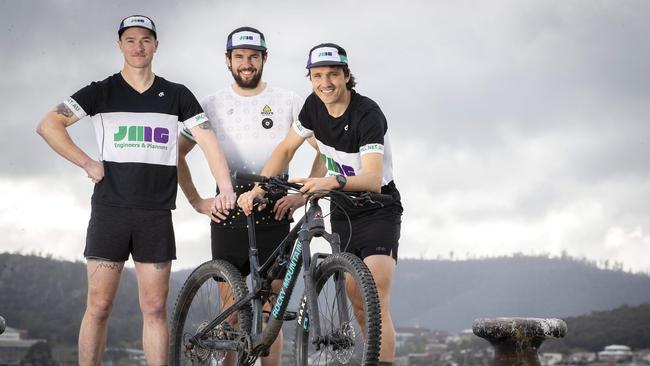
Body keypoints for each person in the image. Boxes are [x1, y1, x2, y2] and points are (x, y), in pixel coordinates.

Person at [36, 15, 235, 366]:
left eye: (145, 39)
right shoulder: (102, 90)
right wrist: (86, 162)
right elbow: (49, 124)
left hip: (155, 214)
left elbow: (207, 140)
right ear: (120, 45)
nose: (138, 46)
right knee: (98, 306)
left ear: (156, 45)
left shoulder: (177, 94)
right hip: (110, 210)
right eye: (131, 40)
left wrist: (225, 188)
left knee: (155, 308)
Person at [238, 43, 403, 365]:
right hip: (342, 210)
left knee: (375, 301)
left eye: (332, 75)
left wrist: (329, 182)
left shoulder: (368, 114)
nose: (325, 82)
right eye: (317, 76)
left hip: (378, 208)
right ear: (310, 78)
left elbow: (372, 179)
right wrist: (259, 188)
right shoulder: (313, 107)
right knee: (357, 302)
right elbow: (286, 149)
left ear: (346, 76)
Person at [177, 26, 314, 366]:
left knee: (272, 314)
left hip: (275, 207)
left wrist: (303, 195)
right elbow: (175, 154)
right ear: (228, 60)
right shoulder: (209, 104)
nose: (247, 63)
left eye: (253, 56)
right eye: (239, 57)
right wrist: (196, 201)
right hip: (229, 209)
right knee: (232, 311)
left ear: (265, 59)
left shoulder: (288, 101)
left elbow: (323, 150)